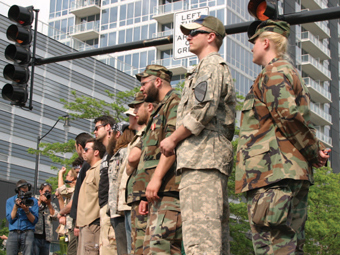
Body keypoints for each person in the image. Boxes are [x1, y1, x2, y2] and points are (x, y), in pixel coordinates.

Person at [235, 20, 330, 254]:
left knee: (272, 246)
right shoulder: (288, 72)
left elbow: (287, 117)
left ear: (266, 42)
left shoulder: (274, 71)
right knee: (290, 246)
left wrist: (312, 151)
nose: (251, 48)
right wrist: (314, 150)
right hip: (289, 173)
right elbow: (294, 118)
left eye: (254, 42)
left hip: (273, 175)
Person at [160, 15, 236, 254]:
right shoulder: (204, 68)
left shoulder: (211, 66)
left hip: (203, 160)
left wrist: (172, 139)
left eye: (194, 33)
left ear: (211, 36)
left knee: (202, 241)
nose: (188, 37)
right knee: (208, 238)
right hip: (201, 159)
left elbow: (202, 110)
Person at [133, 64, 182, 254]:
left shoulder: (175, 103)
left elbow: (172, 147)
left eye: (144, 83)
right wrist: (146, 193)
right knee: (150, 250)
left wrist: (156, 179)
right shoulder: (159, 110)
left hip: (169, 189)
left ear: (158, 82)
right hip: (156, 193)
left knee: (163, 249)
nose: (141, 88)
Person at [124, 95, 157, 255]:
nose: (135, 112)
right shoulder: (145, 134)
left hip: (148, 197)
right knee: (137, 248)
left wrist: (144, 196)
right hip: (138, 197)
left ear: (149, 107)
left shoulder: (154, 130)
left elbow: (132, 159)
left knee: (146, 247)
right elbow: (128, 168)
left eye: (137, 108)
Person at [63, 132, 92, 255]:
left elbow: (82, 196)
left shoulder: (87, 165)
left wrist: (77, 223)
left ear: (79, 146)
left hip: (81, 220)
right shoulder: (86, 165)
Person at [108, 122, 133, 255]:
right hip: (117, 208)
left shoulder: (124, 152)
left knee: (125, 249)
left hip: (121, 208)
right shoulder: (119, 153)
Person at [77, 138, 106, 255]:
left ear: (96, 152)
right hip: (85, 225)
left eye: (86, 149)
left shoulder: (99, 168)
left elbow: (103, 194)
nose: (83, 152)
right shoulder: (89, 170)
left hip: (93, 224)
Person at [93, 115, 117, 255]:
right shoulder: (106, 154)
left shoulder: (116, 149)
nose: (94, 131)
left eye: (97, 128)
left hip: (111, 207)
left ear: (108, 127)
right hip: (104, 208)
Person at [6, 180, 39, 255]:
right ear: (18, 190)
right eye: (23, 192)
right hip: (13, 232)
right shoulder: (10, 201)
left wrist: (26, 210)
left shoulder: (33, 201)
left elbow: (34, 221)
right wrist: (16, 206)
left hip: (28, 232)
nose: (25, 193)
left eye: (26, 191)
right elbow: (10, 220)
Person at [55, 167, 77, 255]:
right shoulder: (70, 194)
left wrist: (60, 174)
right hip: (68, 227)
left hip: (74, 225)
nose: (66, 177)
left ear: (72, 178)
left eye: (67, 175)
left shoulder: (75, 189)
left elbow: (62, 190)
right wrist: (60, 199)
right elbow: (64, 208)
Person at [34, 182, 59, 255]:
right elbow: (31, 211)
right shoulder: (34, 200)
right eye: (46, 192)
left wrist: (49, 204)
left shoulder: (51, 204)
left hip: (46, 238)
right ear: (40, 191)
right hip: (35, 236)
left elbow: (55, 217)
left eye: (49, 192)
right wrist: (40, 201)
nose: (47, 194)